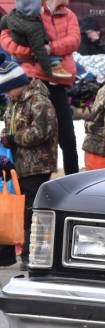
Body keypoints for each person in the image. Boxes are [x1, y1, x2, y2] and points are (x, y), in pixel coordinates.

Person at [0, 0, 81, 174]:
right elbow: (6, 38)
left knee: (68, 138)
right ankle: (18, 180)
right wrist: (32, 51)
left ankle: (73, 181)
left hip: (58, 82)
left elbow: (74, 40)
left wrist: (49, 48)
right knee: (27, 134)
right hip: (33, 83)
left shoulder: (68, 15)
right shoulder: (32, 11)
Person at [0, 61, 57, 268]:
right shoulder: (13, 103)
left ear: (19, 84)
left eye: (8, 89)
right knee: (12, 207)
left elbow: (42, 132)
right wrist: (6, 141)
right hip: (18, 166)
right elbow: (7, 127)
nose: (6, 94)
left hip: (37, 166)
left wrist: (14, 139)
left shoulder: (39, 102)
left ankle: (30, 253)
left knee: (31, 209)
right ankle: (6, 254)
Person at [0, 0, 72, 79]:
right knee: (50, 54)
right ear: (33, 8)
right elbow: (39, 50)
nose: (42, 7)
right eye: (40, 5)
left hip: (16, 57)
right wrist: (48, 72)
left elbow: (3, 23)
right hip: (30, 47)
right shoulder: (33, 27)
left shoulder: (10, 16)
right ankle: (55, 64)